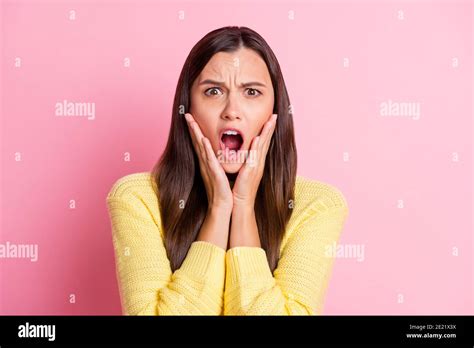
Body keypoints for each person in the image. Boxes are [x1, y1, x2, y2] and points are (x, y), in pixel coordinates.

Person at [106, 26, 349, 315]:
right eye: (213, 91)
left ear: (276, 109)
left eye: (251, 92)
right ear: (188, 107)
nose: (232, 110)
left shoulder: (317, 206)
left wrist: (243, 208)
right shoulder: (137, 199)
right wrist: (219, 209)